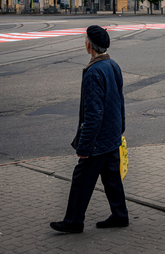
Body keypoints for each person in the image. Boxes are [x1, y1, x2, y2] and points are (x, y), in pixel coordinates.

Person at [50, 25, 128, 234]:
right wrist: (121, 128)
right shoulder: (113, 65)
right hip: (111, 135)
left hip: (98, 140)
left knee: (81, 179)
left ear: (89, 46)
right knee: (112, 178)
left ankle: (73, 221)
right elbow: (119, 100)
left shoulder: (94, 72)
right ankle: (120, 216)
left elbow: (93, 114)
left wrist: (84, 147)